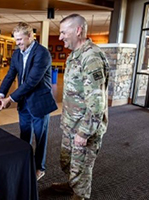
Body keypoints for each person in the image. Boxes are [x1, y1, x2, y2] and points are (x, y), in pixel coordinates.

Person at [50, 14, 109, 200]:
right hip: (71, 123)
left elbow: (97, 103)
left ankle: (80, 195)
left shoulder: (91, 57)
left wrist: (84, 133)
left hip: (84, 128)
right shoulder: (76, 55)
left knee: (82, 167)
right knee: (67, 162)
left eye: (63, 32)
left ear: (78, 30)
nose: (60, 37)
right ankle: (72, 184)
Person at [0, 22, 58, 181]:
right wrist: (0, 95)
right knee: (25, 135)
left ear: (30, 36)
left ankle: (39, 167)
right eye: (16, 40)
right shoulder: (16, 54)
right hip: (24, 103)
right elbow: (10, 76)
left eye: (20, 39)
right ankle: (24, 163)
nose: (18, 43)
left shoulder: (42, 53)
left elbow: (31, 82)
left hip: (39, 103)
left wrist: (10, 99)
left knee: (40, 137)